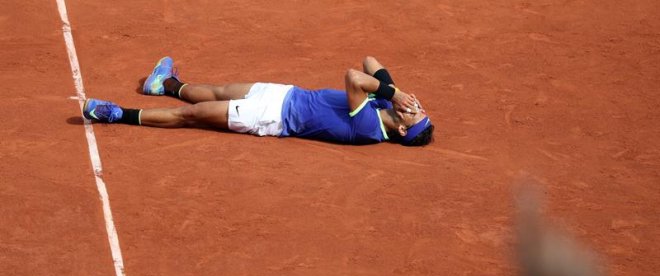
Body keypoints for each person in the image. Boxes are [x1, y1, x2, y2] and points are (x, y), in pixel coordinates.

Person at [82, 56, 434, 146]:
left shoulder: (369, 125)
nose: (415, 107)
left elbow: (355, 75)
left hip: (269, 117)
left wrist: (392, 94)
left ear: (402, 130)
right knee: (218, 89)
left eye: (416, 115)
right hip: (285, 93)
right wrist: (396, 93)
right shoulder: (382, 106)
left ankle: (116, 114)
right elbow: (371, 60)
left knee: (191, 116)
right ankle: (165, 83)